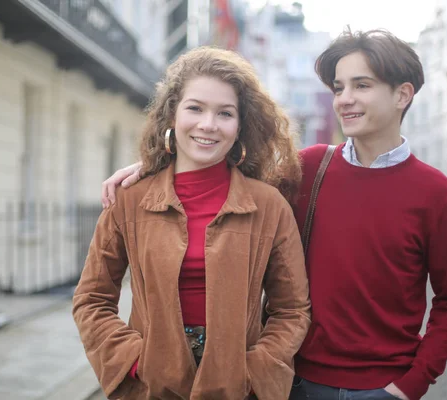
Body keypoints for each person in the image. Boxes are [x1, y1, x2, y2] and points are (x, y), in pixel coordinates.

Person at [100, 30, 447, 400]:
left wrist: (411, 385)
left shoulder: (436, 194)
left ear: (402, 95)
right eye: (339, 88)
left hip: (384, 387)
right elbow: (225, 183)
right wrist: (152, 168)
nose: (345, 99)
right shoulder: (308, 168)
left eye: (361, 85)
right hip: (299, 381)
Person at [72, 46, 311, 400]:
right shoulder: (129, 200)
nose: (208, 124)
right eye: (195, 108)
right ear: (172, 115)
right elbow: (91, 299)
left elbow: (292, 310)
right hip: (151, 389)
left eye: (225, 113)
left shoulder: (269, 206)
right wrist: (136, 363)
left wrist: (254, 373)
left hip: (237, 391)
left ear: (240, 125)